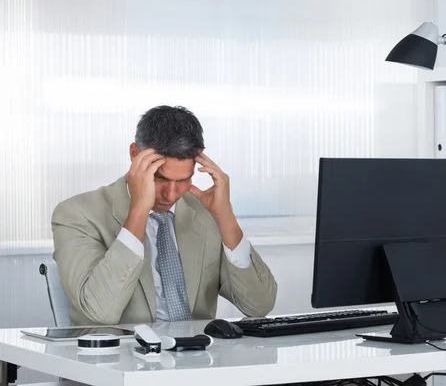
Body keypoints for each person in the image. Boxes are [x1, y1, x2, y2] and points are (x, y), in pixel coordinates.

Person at [51, 105, 277, 325]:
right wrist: (139, 210)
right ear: (134, 154)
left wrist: (225, 217)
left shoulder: (206, 213)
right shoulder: (77, 214)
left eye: (183, 180)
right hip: (120, 360)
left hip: (197, 358)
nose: (171, 194)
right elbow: (100, 312)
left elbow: (258, 306)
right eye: (160, 178)